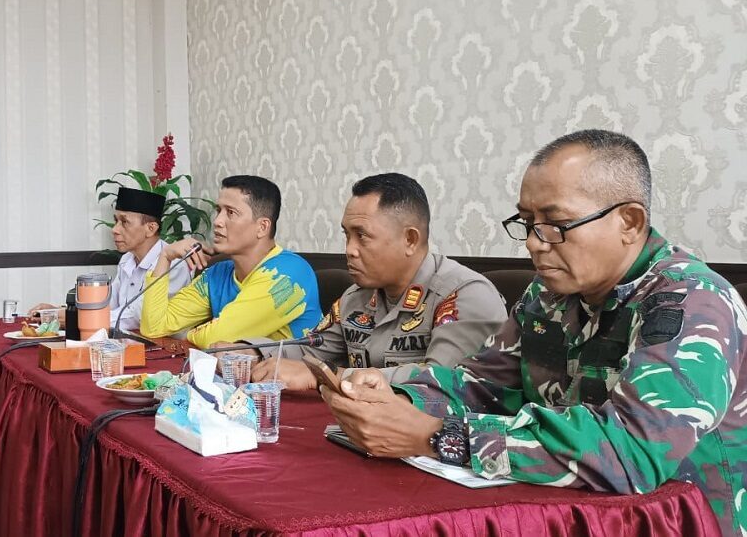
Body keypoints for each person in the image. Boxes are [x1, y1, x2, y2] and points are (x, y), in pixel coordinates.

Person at [320, 130, 746, 536]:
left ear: (629, 222)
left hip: (680, 522)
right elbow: (480, 385)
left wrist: (435, 436)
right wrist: (396, 398)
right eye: (527, 222)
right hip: (567, 515)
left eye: (555, 224)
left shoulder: (692, 301)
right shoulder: (547, 295)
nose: (534, 242)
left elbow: (629, 451)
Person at [254, 173, 506, 387]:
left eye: (362, 236)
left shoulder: (465, 295)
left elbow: (440, 383)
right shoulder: (355, 298)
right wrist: (252, 352)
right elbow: (310, 351)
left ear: (410, 240)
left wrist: (331, 376)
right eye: (347, 235)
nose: (349, 250)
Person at [139, 175, 321, 349]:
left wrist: (188, 335)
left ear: (262, 227)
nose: (217, 221)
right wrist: (165, 256)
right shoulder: (218, 273)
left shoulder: (288, 274)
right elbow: (153, 328)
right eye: (219, 211)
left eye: (231, 212)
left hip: (294, 369)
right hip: (237, 369)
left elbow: (214, 339)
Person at [29, 187, 191, 331]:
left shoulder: (173, 264)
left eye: (124, 222)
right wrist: (62, 311)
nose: (115, 229)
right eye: (116, 221)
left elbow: (137, 317)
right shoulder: (127, 259)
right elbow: (108, 304)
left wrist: (80, 319)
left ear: (150, 228)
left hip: (166, 347)